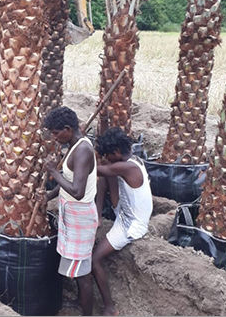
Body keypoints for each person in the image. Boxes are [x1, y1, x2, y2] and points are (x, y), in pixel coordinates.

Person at [43, 106, 98, 316]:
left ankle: (87, 313)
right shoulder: (74, 144)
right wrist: (48, 196)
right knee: (78, 268)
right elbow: (68, 181)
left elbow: (77, 190)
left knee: (83, 273)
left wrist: (53, 172)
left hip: (80, 217)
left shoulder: (83, 150)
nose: (54, 137)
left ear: (67, 129)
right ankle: (78, 302)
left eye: (56, 133)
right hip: (72, 214)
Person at [92, 127, 153, 316]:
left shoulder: (128, 167)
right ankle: (98, 215)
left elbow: (94, 170)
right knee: (105, 175)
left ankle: (109, 307)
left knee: (94, 259)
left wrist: (83, 155)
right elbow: (104, 171)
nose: (107, 158)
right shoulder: (130, 160)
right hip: (124, 212)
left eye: (108, 155)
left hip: (132, 224)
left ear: (116, 152)